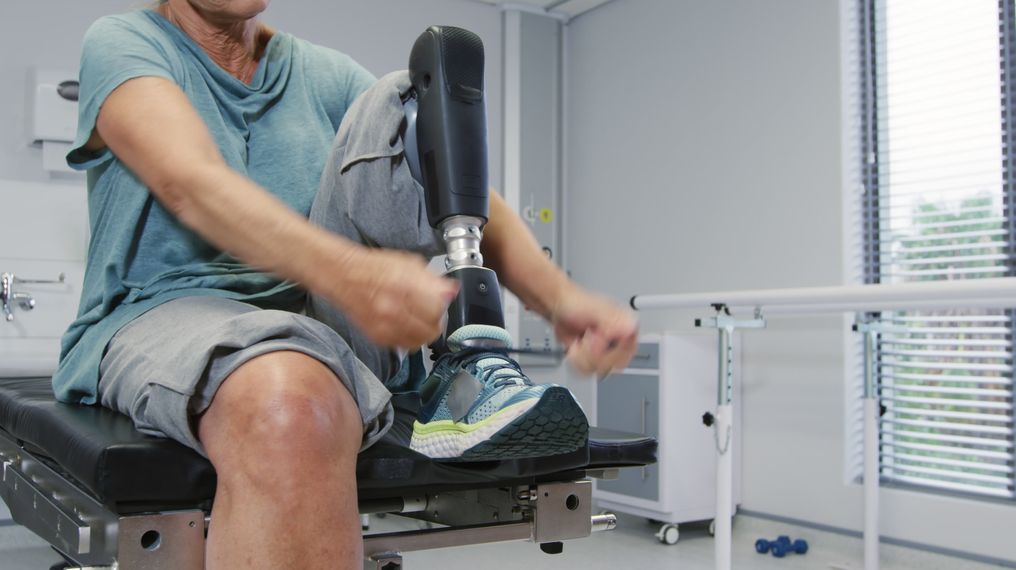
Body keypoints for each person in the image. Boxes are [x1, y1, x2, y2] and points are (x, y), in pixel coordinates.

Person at [54, 0, 639, 567]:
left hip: (322, 318)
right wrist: (354, 274)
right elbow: (191, 183)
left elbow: (450, 182)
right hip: (169, 311)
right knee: (290, 403)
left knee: (399, 100)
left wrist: (561, 300)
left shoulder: (321, 73)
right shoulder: (126, 42)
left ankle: (469, 360)